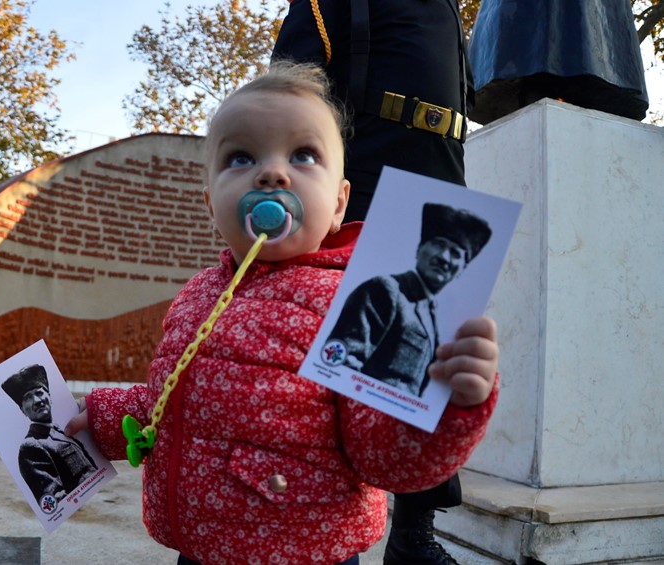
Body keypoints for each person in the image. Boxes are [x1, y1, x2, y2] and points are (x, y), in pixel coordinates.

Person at [65, 62, 499, 565]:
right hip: (200, 550)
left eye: (303, 154)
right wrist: (106, 418)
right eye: (241, 156)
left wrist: (451, 407)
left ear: (339, 205)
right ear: (211, 205)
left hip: (307, 554)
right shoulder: (199, 294)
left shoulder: (353, 298)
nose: (272, 172)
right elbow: (181, 403)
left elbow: (384, 457)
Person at [272, 3, 477, 562]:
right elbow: (293, 88)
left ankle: (413, 532)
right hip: (361, 172)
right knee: (346, 356)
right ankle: (327, 526)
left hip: (441, 165)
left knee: (425, 355)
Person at [328, 203, 492, 397]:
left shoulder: (432, 314)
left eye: (456, 253)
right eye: (439, 244)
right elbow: (342, 365)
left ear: (462, 269)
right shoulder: (386, 289)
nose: (445, 258)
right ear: (420, 248)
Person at [2, 364, 98, 506]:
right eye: (28, 397)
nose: (37, 401)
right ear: (22, 410)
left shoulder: (61, 431)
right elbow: (55, 500)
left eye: (40, 393)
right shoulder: (31, 446)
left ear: (50, 397)